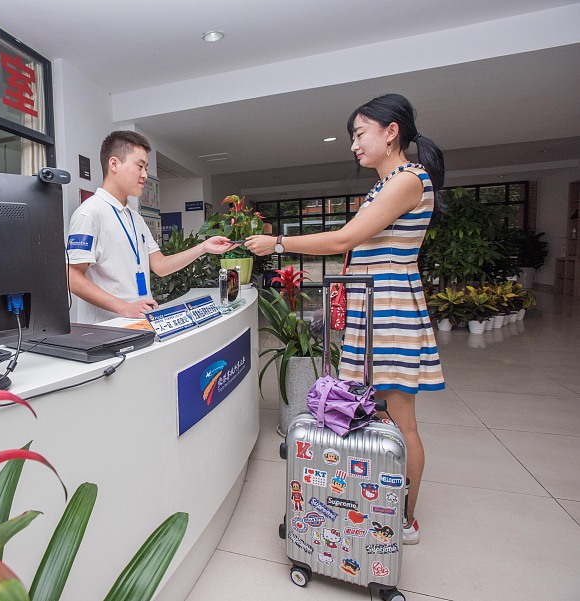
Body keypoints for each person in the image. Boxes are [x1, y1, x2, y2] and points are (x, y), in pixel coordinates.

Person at [245, 93, 445, 545]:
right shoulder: (385, 184)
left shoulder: (409, 180)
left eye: (360, 134)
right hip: (373, 304)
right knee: (374, 414)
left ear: (391, 132)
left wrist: (278, 244)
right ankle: (375, 498)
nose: (354, 145)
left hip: (390, 307)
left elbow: (346, 239)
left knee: (400, 420)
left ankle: (405, 522)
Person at [67, 130, 235, 323]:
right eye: (140, 166)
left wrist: (203, 247)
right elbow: (71, 276)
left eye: (145, 168)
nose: (145, 175)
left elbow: (160, 266)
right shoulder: (90, 213)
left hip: (139, 323)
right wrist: (123, 307)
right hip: (106, 331)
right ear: (114, 164)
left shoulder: (135, 218)